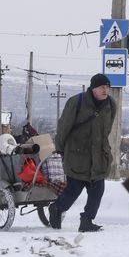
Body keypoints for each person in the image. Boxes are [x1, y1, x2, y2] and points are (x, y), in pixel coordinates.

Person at [49, 73, 115, 232]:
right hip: (78, 156)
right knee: (73, 192)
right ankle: (57, 208)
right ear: (93, 88)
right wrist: (60, 149)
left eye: (107, 87)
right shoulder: (76, 102)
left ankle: (87, 220)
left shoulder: (111, 105)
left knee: (97, 191)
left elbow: (106, 130)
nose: (105, 90)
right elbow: (63, 127)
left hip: (99, 157)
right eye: (101, 87)